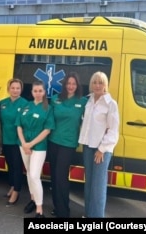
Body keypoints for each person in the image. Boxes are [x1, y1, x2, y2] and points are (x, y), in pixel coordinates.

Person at [78, 71, 119, 218]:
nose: (97, 85)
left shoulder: (110, 104)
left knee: (98, 185)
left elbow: (113, 130)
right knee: (89, 182)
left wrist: (101, 149)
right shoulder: (88, 101)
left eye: (100, 82)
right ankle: (89, 214)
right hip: (88, 146)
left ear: (105, 85)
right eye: (94, 82)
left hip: (101, 149)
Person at [48, 72, 87, 218]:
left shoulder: (83, 102)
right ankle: (57, 207)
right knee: (54, 177)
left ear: (77, 86)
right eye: (68, 83)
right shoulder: (55, 99)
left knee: (61, 177)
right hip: (53, 142)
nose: (71, 86)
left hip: (68, 144)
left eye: (73, 84)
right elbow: (49, 120)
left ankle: (64, 212)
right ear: (64, 85)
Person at [15, 80, 55, 218]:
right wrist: (24, 143)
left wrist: (30, 144)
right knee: (28, 173)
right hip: (23, 144)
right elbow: (18, 125)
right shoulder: (27, 106)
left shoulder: (48, 108)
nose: (38, 93)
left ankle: (39, 209)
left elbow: (47, 130)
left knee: (34, 175)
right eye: (35, 91)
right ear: (32, 92)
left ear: (44, 92)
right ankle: (32, 199)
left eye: (40, 91)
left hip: (38, 146)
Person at [0, 78, 28, 206]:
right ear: (8, 89)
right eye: (13, 88)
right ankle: (12, 186)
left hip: (18, 141)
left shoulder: (25, 104)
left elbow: (26, 124)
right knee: (9, 165)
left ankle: (16, 191)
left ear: (21, 90)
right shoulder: (2, 103)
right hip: (5, 139)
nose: (15, 90)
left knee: (17, 167)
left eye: (18, 88)